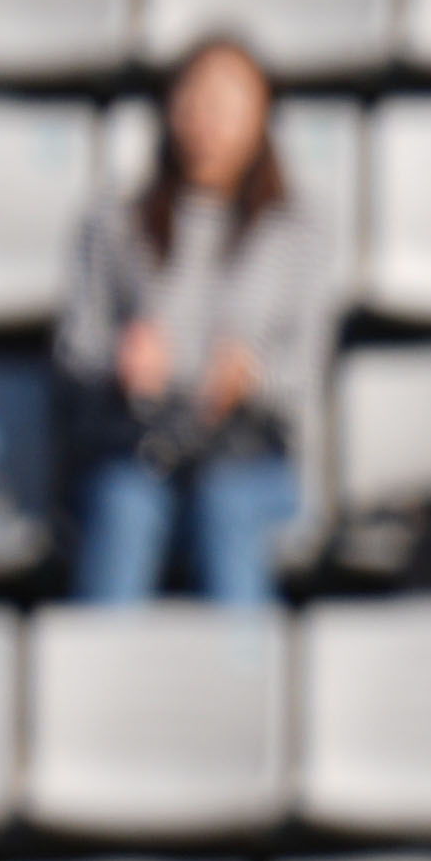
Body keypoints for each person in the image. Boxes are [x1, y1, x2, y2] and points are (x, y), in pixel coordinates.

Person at [55, 33, 337, 610]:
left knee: (227, 508)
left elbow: (306, 367)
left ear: (262, 117)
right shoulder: (114, 223)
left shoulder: (297, 230)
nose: (210, 120)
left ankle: (245, 686)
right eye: (197, 99)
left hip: (246, 451)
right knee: (123, 510)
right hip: (140, 445)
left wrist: (250, 376)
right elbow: (75, 348)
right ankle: (100, 688)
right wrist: (120, 361)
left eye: (230, 103)